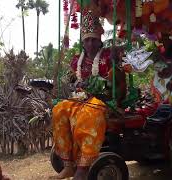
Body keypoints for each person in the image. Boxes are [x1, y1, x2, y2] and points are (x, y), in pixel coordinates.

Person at [51, 8, 126, 180]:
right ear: (83, 43)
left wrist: (113, 68)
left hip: (105, 100)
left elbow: (119, 80)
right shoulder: (77, 59)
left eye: (94, 39)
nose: (91, 44)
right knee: (59, 109)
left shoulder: (109, 55)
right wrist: (70, 80)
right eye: (87, 40)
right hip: (80, 98)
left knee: (88, 115)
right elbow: (70, 78)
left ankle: (83, 168)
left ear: (99, 40)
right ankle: (68, 165)